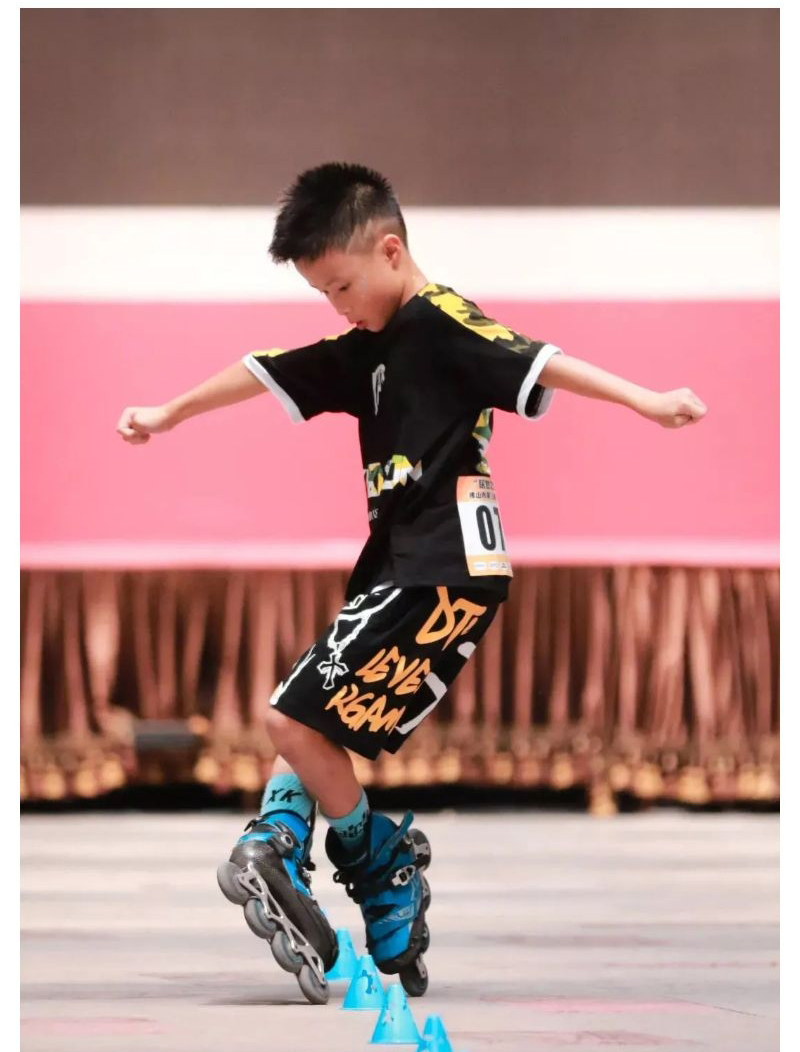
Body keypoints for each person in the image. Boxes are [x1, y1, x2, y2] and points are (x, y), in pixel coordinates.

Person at [116, 162, 707, 1003]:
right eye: (322, 293)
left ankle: (374, 860)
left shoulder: (440, 321)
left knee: (289, 716)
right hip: (407, 568)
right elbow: (267, 367)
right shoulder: (371, 347)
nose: (337, 306)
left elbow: (541, 360)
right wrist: (169, 412)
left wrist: (647, 400)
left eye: (343, 286)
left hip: (440, 569)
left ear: (390, 251)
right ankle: (302, 846)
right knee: (317, 726)